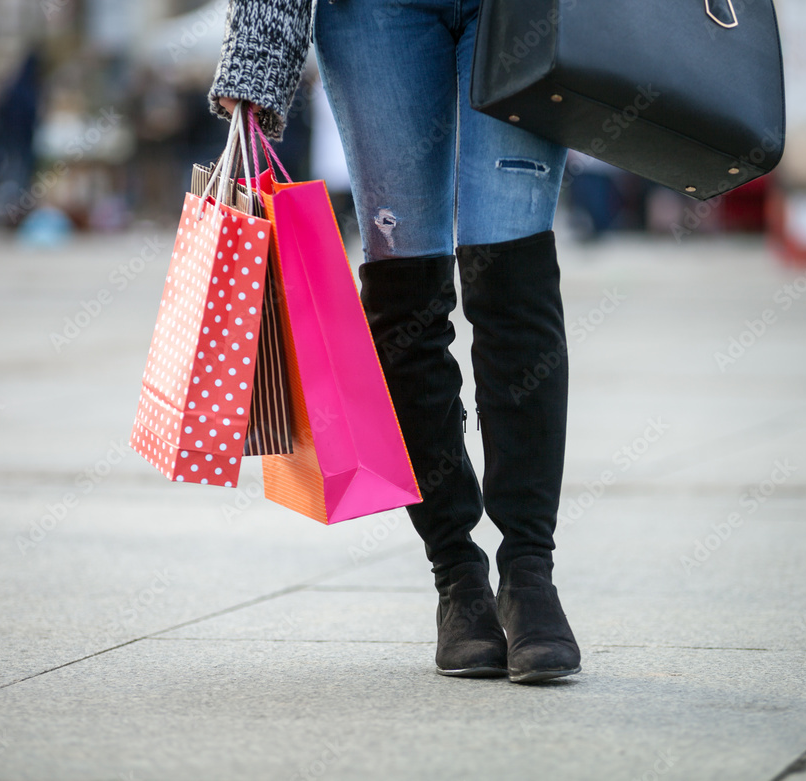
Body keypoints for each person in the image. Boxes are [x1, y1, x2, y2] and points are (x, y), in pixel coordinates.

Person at [209, 0, 580, 683]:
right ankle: (457, 575)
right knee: (404, 291)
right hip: (376, 13)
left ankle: (530, 571)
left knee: (514, 276)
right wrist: (255, 55)